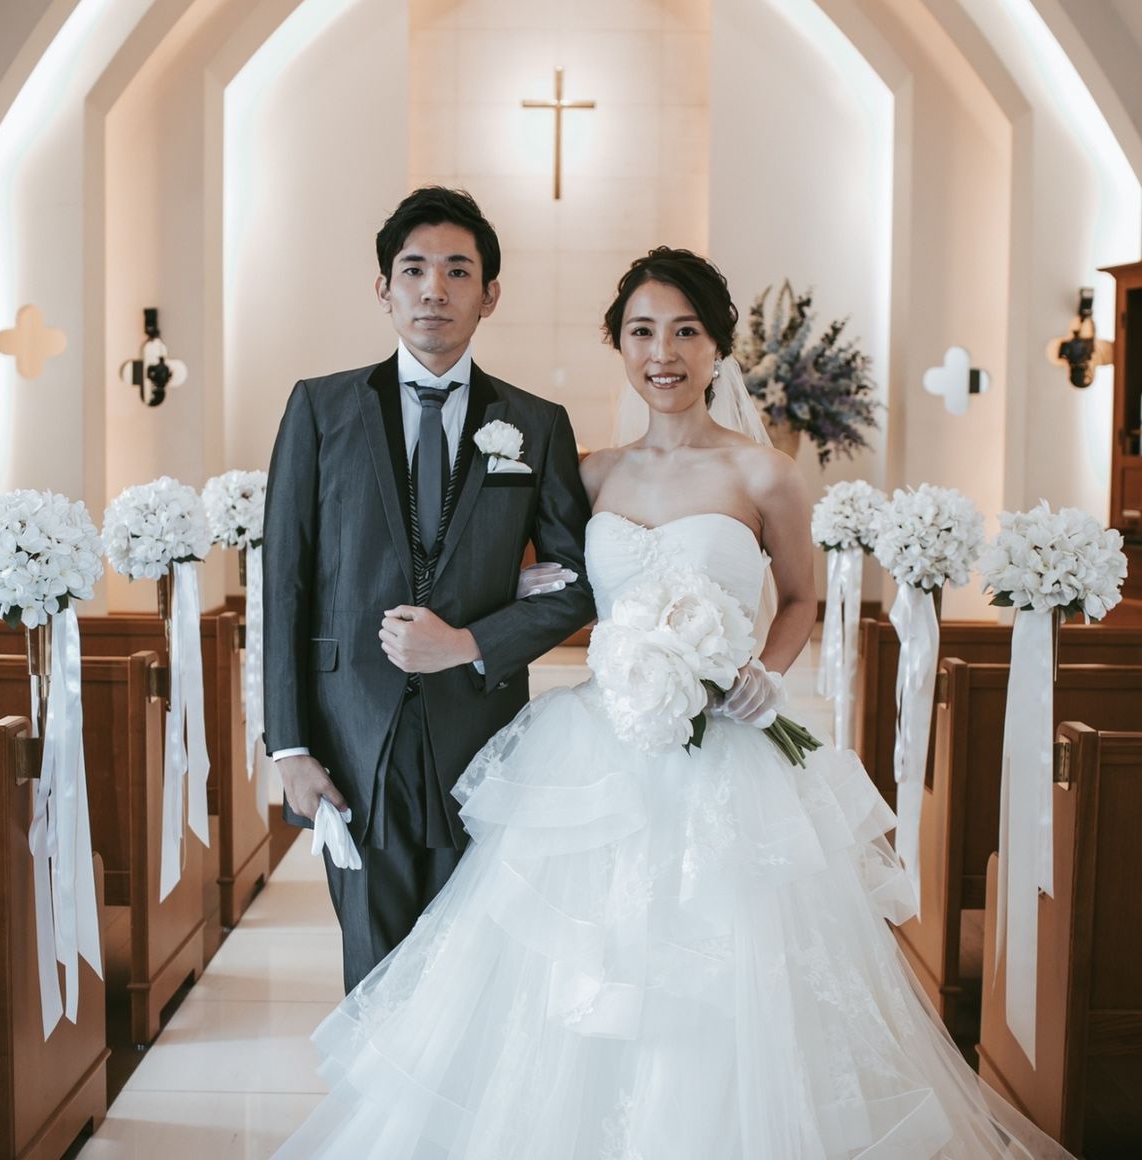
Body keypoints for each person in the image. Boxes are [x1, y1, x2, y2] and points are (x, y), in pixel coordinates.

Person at [275, 248, 1072, 1159]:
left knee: (726, 973)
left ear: (717, 348)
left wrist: (767, 672)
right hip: (599, 746)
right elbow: (548, 576)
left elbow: (800, 599)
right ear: (619, 345)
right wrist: (493, 607)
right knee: (575, 971)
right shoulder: (587, 470)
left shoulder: (765, 474)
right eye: (643, 332)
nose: (664, 353)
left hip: (726, 747)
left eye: (686, 332)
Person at [262, 187, 595, 994]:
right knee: (374, 974)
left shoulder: (537, 423)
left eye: (457, 271)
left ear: (490, 294)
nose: (433, 289)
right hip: (351, 736)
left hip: (482, 738)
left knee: (468, 978)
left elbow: (578, 585)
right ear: (384, 288)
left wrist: (471, 642)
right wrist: (290, 749)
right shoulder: (320, 409)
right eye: (413, 270)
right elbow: (285, 583)